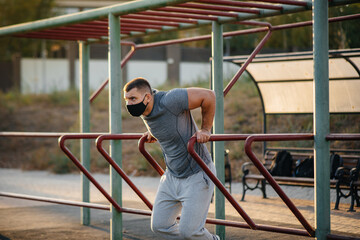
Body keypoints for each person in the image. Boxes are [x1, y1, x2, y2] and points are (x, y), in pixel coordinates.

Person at [123, 77, 220, 240]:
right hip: (172, 175)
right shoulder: (144, 111)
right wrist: (153, 133)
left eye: (133, 99)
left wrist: (205, 129)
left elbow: (209, 96)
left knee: (189, 232)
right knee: (160, 226)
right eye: (126, 100)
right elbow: (167, 123)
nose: (130, 104)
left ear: (147, 97)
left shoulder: (170, 100)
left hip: (197, 173)